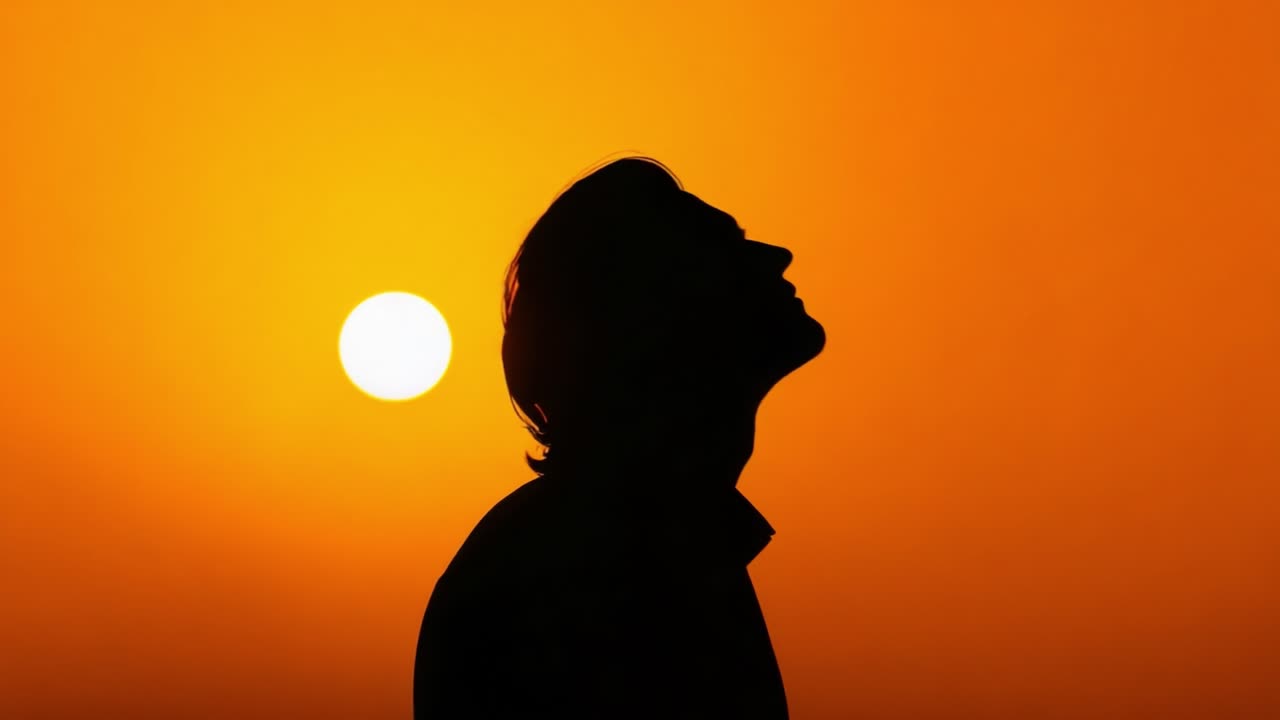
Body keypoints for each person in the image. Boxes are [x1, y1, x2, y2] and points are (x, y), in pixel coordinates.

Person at [413, 157, 826, 719]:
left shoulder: (659, 533)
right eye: (726, 247)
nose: (777, 256)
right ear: (656, 313)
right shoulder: (591, 566)